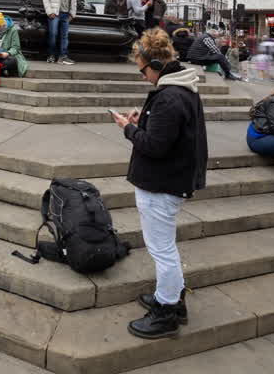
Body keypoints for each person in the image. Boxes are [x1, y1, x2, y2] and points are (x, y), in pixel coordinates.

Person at [111, 29, 208, 339]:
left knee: (161, 250)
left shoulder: (169, 96)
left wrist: (128, 129)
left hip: (161, 184)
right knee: (164, 247)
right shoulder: (180, 87)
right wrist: (145, 122)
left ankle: (166, 312)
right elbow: (170, 135)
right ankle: (172, 299)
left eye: (143, 70)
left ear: (155, 63)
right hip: (170, 178)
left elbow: (154, 146)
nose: (143, 77)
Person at [43, 0, 77, 65]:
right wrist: (50, 12)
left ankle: (63, 57)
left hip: (66, 14)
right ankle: (51, 55)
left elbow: (74, 0)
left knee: (64, 37)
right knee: (53, 35)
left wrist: (72, 14)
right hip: (55, 14)